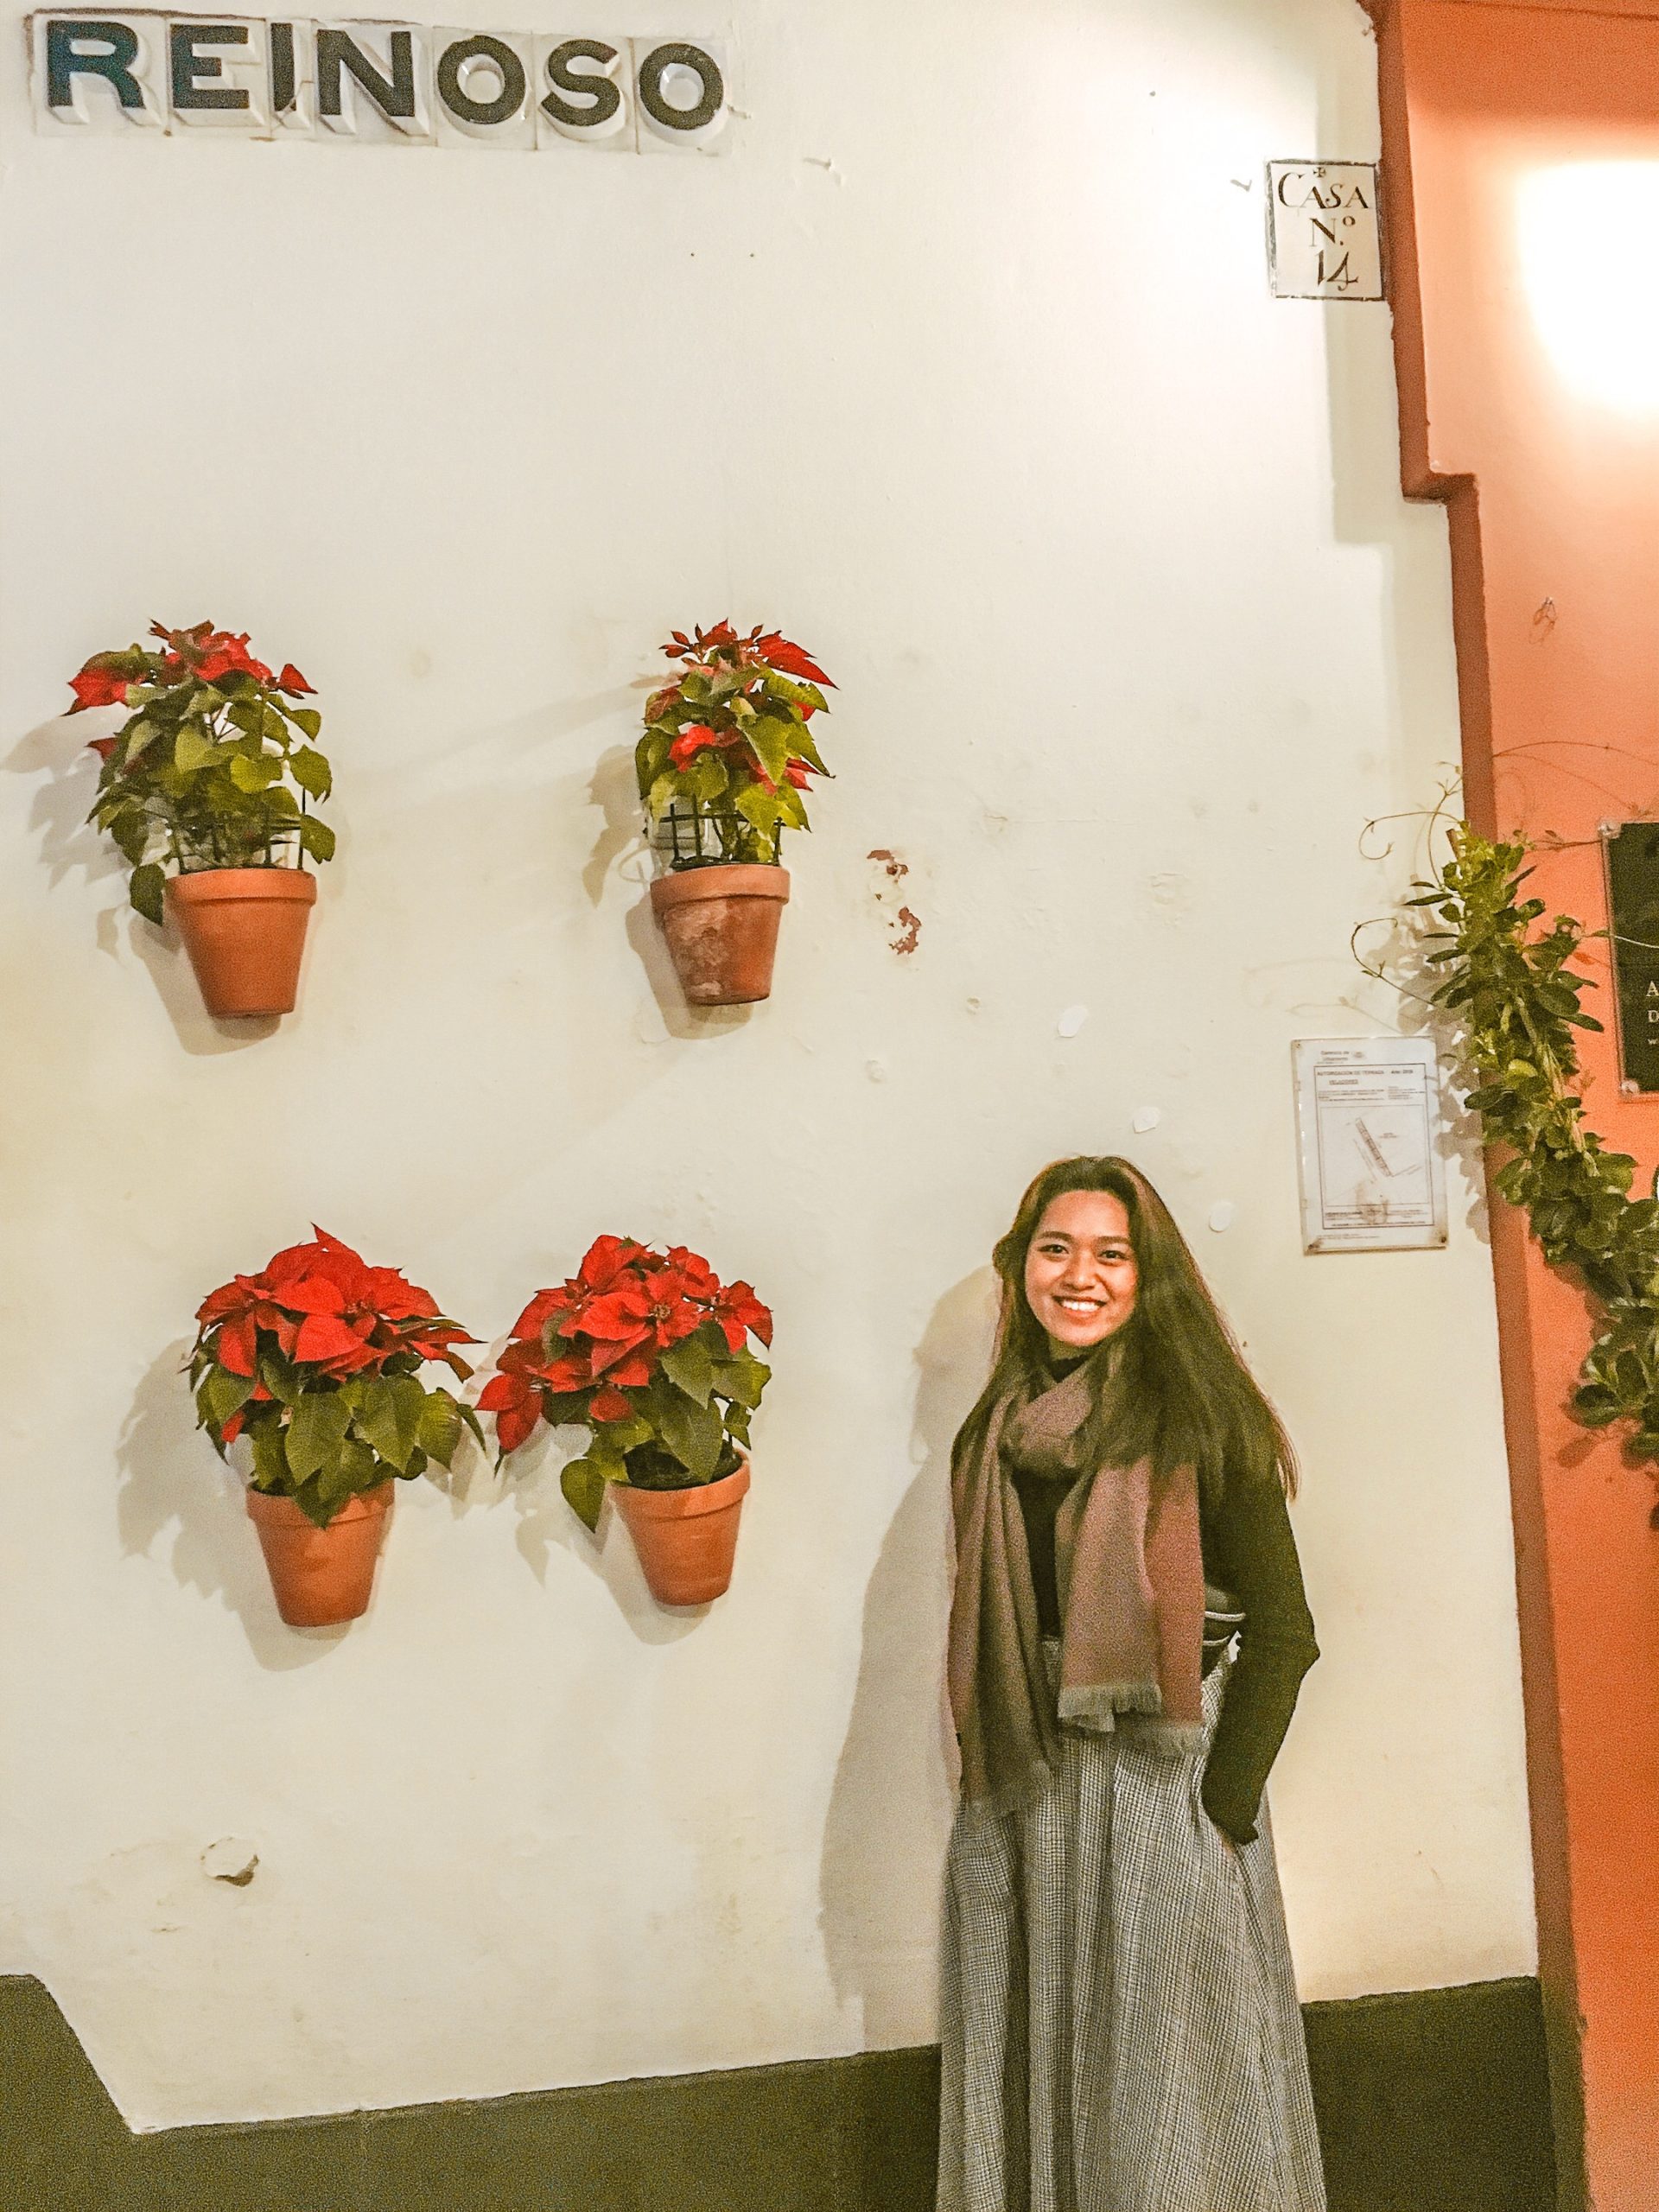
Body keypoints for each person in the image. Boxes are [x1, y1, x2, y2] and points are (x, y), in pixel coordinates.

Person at [938, 1155, 1325, 2212]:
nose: (1080, 1275)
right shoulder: (997, 1431)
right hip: (1028, 1781)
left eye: (1111, 1254)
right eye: (1055, 1249)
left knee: (1169, 2090)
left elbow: (1285, 1636)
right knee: (1040, 2066)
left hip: (1164, 1785)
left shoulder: (1206, 1420)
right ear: (1020, 1265)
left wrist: (1221, 1814)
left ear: (1149, 1274)